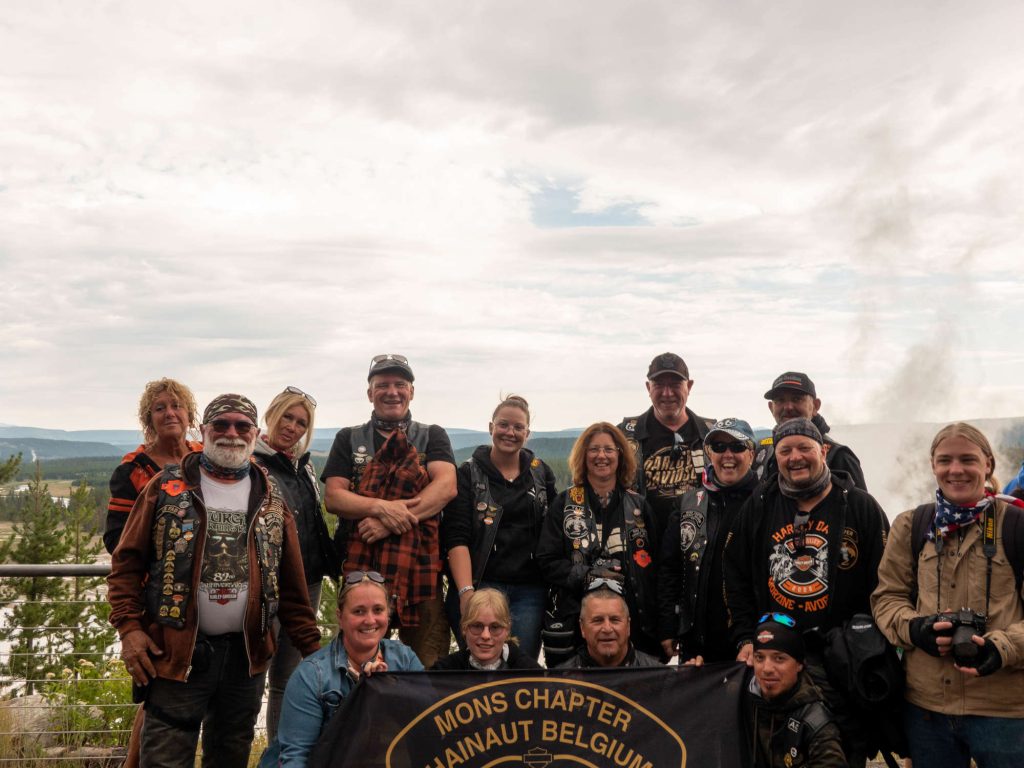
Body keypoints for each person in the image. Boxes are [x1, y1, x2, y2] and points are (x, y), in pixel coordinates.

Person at [108, 394, 321, 768]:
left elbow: (292, 587)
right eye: (221, 425)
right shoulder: (165, 488)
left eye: (242, 426)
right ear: (203, 430)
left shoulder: (272, 496)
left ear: (255, 434)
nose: (231, 434)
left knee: (230, 756)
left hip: (247, 658)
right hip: (175, 655)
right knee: (164, 759)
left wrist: (315, 653)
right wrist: (129, 630)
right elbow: (125, 565)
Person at [724, 417, 889, 767]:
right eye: (785, 450)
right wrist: (744, 637)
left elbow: (886, 585)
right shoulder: (761, 504)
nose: (795, 457)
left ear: (824, 451)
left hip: (841, 664)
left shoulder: (860, 506)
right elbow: (735, 572)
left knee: (841, 752)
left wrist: (867, 649)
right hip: (776, 659)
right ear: (776, 457)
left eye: (804, 448)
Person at [872, 423, 1024, 767]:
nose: (956, 470)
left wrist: (1003, 648)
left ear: (988, 465)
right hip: (927, 708)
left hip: (1006, 707)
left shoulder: (1017, 526)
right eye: (945, 460)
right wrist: (915, 629)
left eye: (968, 459)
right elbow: (887, 597)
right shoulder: (911, 525)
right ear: (933, 466)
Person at [322, 354, 457, 668]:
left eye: (400, 384)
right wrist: (382, 508)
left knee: (428, 663)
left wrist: (387, 523)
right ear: (370, 393)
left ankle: (424, 717)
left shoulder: (431, 435)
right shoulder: (349, 438)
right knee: (358, 660)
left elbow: (446, 487)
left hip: (421, 569)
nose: (392, 391)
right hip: (361, 568)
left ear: (411, 391)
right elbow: (335, 497)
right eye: (382, 385)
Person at [260, 571, 423, 767]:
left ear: (388, 614)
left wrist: (388, 692)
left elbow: (427, 725)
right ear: (340, 617)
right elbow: (296, 757)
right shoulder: (311, 674)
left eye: (378, 610)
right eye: (359, 611)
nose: (370, 620)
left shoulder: (405, 660)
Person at [253, 386, 340, 743]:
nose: (292, 427)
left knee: (289, 678)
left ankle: (280, 754)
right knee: (256, 674)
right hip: (269, 585)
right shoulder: (253, 464)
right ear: (271, 414)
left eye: (301, 423)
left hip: (309, 581)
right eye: (287, 416)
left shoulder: (302, 466)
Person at [442, 395, 557, 659]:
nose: (510, 432)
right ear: (491, 427)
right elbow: (456, 537)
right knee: (478, 663)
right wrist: (465, 592)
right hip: (480, 584)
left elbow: (555, 529)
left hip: (530, 590)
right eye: (503, 425)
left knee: (520, 666)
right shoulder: (468, 474)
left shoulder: (541, 474)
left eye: (518, 427)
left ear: (528, 433)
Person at [536, 422, 659, 665]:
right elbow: (546, 561)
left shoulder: (638, 507)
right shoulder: (565, 504)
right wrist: (587, 575)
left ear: (620, 455)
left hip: (633, 623)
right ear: (583, 455)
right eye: (593, 449)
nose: (601, 456)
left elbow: (658, 569)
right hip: (574, 623)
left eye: (608, 449)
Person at [659, 418, 758, 663]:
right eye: (719, 447)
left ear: (752, 454)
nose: (728, 455)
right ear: (708, 453)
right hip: (697, 641)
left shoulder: (765, 502)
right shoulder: (688, 502)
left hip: (750, 641)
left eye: (737, 447)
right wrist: (667, 625)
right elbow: (669, 568)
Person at [618, 352, 715, 541]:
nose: (667, 393)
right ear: (648, 387)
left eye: (675, 385)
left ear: (690, 386)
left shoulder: (713, 437)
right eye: (659, 385)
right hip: (641, 546)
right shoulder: (623, 436)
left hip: (700, 548)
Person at [105, 378, 203, 554]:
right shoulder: (133, 470)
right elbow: (116, 539)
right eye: (160, 408)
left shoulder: (205, 458)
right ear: (149, 420)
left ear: (189, 415)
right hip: (157, 576)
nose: (170, 413)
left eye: (177, 406)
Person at [744, 613, 846, 768]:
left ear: (799, 664)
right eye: (760, 658)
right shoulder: (739, 698)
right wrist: (695, 675)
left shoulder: (816, 723)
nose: (767, 669)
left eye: (779, 658)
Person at [757, 371, 867, 490]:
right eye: (780, 400)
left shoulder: (839, 456)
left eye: (797, 399)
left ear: (815, 406)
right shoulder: (765, 452)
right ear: (771, 408)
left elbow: (860, 506)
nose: (788, 407)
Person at [431, 588, 542, 670]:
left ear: (507, 629)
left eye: (495, 627)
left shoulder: (530, 673)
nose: (485, 635)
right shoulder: (443, 672)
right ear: (464, 627)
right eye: (477, 626)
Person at [557, 584, 662, 668]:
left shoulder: (661, 679)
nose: (607, 629)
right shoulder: (560, 682)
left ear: (628, 626)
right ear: (582, 628)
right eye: (597, 620)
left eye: (615, 620)